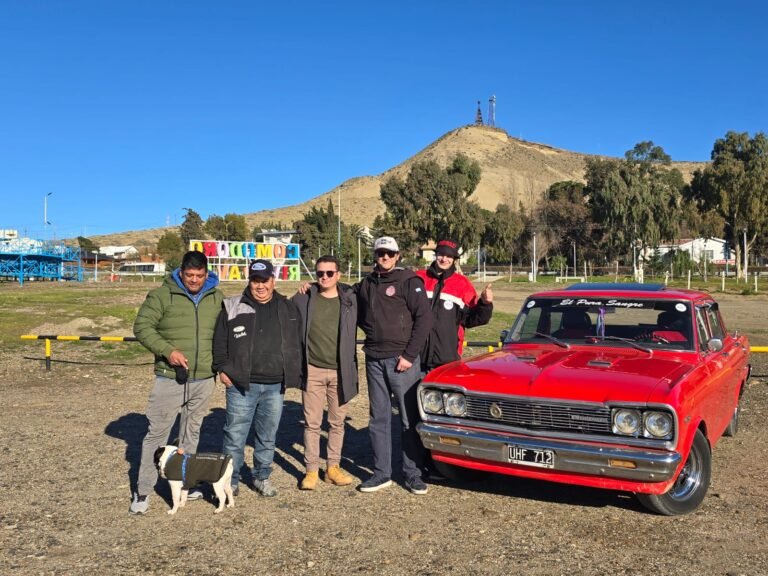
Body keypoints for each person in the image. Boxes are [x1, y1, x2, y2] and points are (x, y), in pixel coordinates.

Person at [130, 250, 224, 515]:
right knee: (157, 434)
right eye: (189, 275)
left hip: (204, 378)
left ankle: (184, 483)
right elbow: (142, 327)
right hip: (170, 378)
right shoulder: (162, 295)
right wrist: (167, 350)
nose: (194, 280)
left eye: (199, 275)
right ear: (180, 272)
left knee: (190, 434)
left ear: (207, 274)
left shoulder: (216, 297)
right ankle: (143, 490)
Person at [213, 259, 302, 498]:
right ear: (249, 280)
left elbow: (298, 341)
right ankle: (229, 480)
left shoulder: (287, 306)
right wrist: (222, 368)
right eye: (255, 280)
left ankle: (262, 476)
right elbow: (219, 341)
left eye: (264, 280)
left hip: (275, 385)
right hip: (241, 384)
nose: (260, 286)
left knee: (267, 436)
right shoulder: (232, 306)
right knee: (235, 435)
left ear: (273, 280)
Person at [357, 236, 432, 495]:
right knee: (378, 418)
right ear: (375, 255)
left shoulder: (409, 281)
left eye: (389, 253)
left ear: (398, 255)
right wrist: (311, 286)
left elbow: (424, 319)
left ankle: (412, 474)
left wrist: (409, 356)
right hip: (374, 358)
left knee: (408, 418)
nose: (385, 257)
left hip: (402, 361)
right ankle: (382, 473)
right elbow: (346, 298)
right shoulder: (366, 284)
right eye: (380, 253)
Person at [291, 255, 358, 490]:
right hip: (313, 370)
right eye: (320, 273)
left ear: (338, 274)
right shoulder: (304, 298)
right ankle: (310, 470)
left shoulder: (350, 298)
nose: (324, 277)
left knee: (337, 423)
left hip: (341, 371)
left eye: (330, 273)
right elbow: (284, 315)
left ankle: (332, 467)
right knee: (312, 423)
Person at [416, 239, 493, 372]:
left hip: (446, 359)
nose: (444, 259)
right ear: (436, 255)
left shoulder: (462, 284)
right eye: (441, 254)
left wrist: (485, 304)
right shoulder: (418, 278)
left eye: (449, 256)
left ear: (455, 259)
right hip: (415, 357)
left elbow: (472, 319)